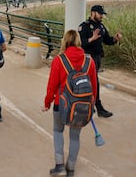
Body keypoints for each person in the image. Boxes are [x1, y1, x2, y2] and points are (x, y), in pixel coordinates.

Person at [42, 30, 98, 177]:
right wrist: (91, 105)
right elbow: (93, 86)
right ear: (79, 41)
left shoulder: (59, 60)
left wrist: (47, 103)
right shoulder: (89, 60)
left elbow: (52, 85)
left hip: (61, 103)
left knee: (57, 131)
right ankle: (71, 168)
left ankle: (59, 165)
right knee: (75, 137)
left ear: (65, 41)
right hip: (81, 106)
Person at [78, 5, 122, 118]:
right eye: (100, 13)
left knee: (92, 82)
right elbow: (80, 43)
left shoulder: (101, 26)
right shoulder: (84, 26)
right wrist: (91, 39)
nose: (102, 16)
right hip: (87, 59)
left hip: (97, 58)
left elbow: (107, 40)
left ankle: (91, 106)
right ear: (93, 13)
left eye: (102, 14)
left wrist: (115, 39)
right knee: (91, 82)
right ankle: (96, 107)